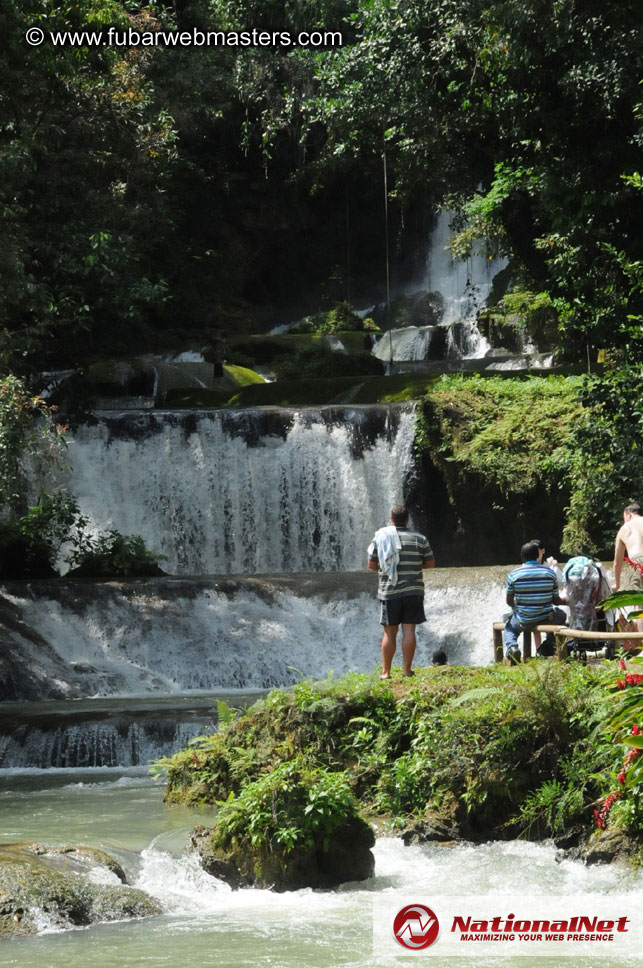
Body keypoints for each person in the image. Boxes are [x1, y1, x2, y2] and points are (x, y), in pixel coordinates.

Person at [367, 505, 434, 679]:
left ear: (391, 519)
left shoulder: (380, 538)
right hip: (413, 591)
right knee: (409, 630)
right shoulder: (420, 539)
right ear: (407, 520)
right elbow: (430, 564)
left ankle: (385, 672)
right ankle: (406, 671)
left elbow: (371, 565)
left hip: (389, 591)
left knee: (389, 633)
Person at [503, 541, 567, 663]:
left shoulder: (514, 575)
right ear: (538, 556)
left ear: (522, 557)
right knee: (562, 615)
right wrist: (569, 601)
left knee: (510, 628)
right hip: (547, 617)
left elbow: (509, 601)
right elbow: (556, 600)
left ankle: (512, 647)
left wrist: (516, 608)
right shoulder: (550, 573)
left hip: (524, 619)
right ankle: (548, 644)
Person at [613, 503, 643, 631]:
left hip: (637, 561)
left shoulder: (625, 528)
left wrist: (617, 585)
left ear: (628, 514)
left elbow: (617, 562)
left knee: (639, 603)